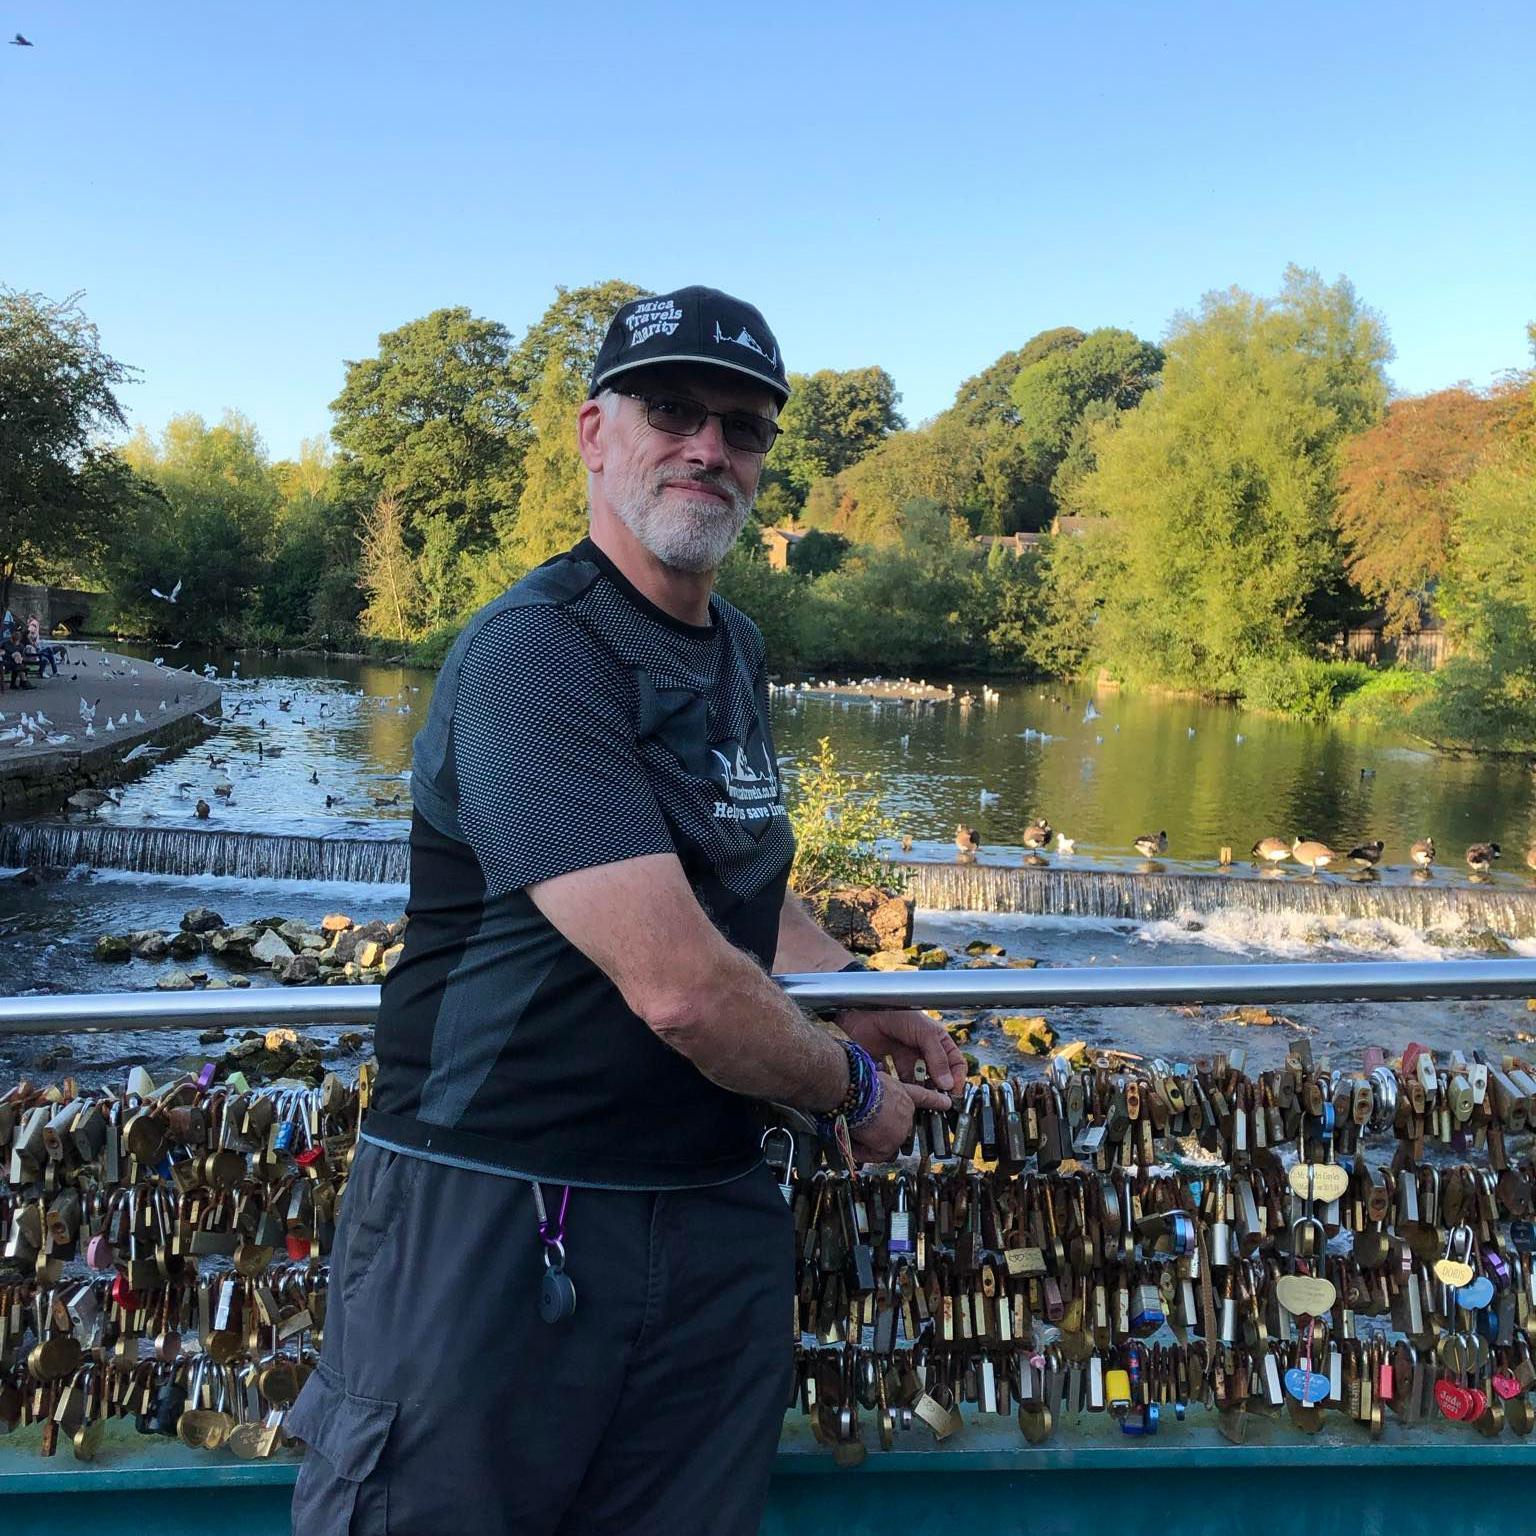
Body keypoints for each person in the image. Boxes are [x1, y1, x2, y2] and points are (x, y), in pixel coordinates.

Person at [288, 286, 965, 1536]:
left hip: (707, 1208)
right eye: (671, 410)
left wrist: (861, 994)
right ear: (595, 433)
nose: (709, 446)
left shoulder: (734, 647)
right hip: (499, 1205)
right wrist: (852, 1091)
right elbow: (682, 987)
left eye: (743, 425)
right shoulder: (535, 653)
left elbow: (740, 882)